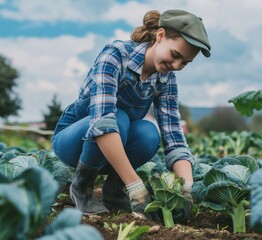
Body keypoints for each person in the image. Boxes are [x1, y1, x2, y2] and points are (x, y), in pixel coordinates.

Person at [52, 9, 211, 222]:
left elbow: (174, 138)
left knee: (149, 134)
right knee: (118, 117)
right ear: (160, 36)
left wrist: (186, 190)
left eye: (184, 63)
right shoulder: (115, 55)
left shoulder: (166, 79)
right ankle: (82, 187)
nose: (176, 66)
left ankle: (115, 193)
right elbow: (102, 121)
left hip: (115, 147)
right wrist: (136, 185)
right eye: (175, 55)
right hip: (75, 142)